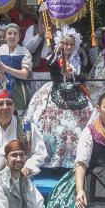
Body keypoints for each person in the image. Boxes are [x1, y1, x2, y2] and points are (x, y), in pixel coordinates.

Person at [25, 26, 94, 171]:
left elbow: (83, 78)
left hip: (76, 92)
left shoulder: (79, 58)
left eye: (71, 44)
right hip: (54, 92)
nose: (68, 47)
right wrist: (57, 54)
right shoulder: (55, 56)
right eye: (66, 44)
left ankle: (75, 159)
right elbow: (51, 69)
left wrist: (71, 76)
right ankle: (51, 158)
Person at [0, 22, 31, 118]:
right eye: (9, 33)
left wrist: (6, 68)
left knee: (18, 116)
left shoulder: (24, 52)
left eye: (15, 34)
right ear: (6, 36)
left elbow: (24, 74)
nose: (12, 36)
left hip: (18, 90)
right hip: (0, 88)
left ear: (19, 37)